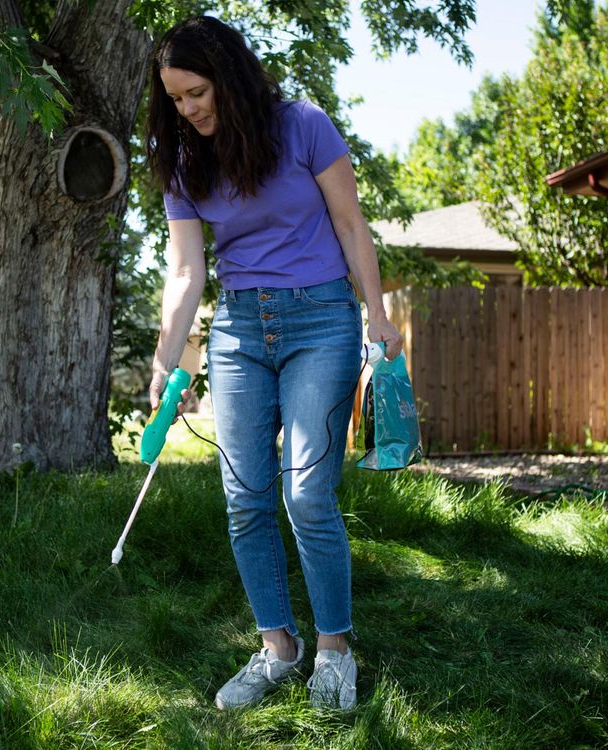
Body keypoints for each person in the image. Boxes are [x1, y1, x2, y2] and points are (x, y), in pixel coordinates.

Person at [145, 16, 403, 711]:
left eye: (196, 92)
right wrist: (167, 359)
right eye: (175, 100)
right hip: (237, 333)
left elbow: (351, 225)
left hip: (320, 320)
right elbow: (185, 270)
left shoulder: (304, 126)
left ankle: (335, 651)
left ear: (227, 76)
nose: (188, 109)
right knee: (245, 498)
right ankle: (278, 646)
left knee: (307, 493)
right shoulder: (183, 163)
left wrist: (378, 315)